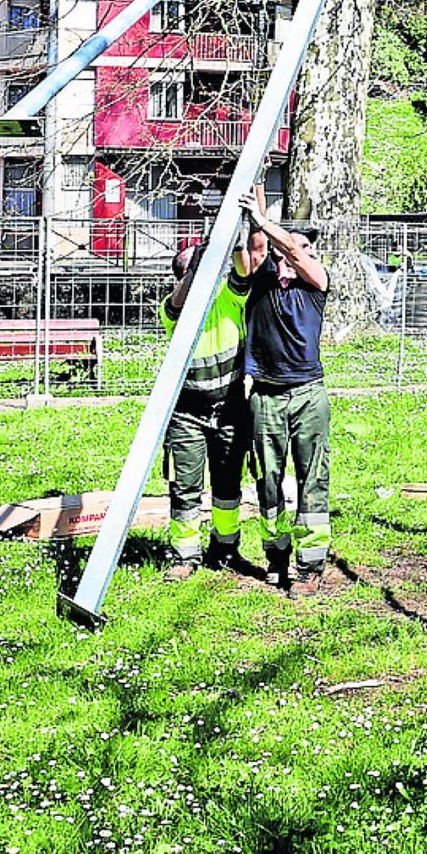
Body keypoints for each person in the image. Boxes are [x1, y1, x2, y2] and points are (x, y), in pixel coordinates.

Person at [238, 187, 331, 595]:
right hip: (266, 396)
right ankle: (276, 557)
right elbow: (253, 251)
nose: (295, 253)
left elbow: (293, 249)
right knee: (268, 480)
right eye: (289, 250)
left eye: (306, 248)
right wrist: (253, 208)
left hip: (309, 394)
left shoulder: (316, 284)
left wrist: (265, 221)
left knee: (313, 478)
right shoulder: (259, 284)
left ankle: (310, 567)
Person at [160, 235, 257, 581]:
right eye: (195, 268)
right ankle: (185, 555)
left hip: (229, 406)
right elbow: (178, 301)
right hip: (187, 412)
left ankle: (226, 548)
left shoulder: (227, 296)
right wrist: (198, 260)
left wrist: (231, 242)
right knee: (185, 486)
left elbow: (243, 272)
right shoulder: (174, 309)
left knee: (228, 481)